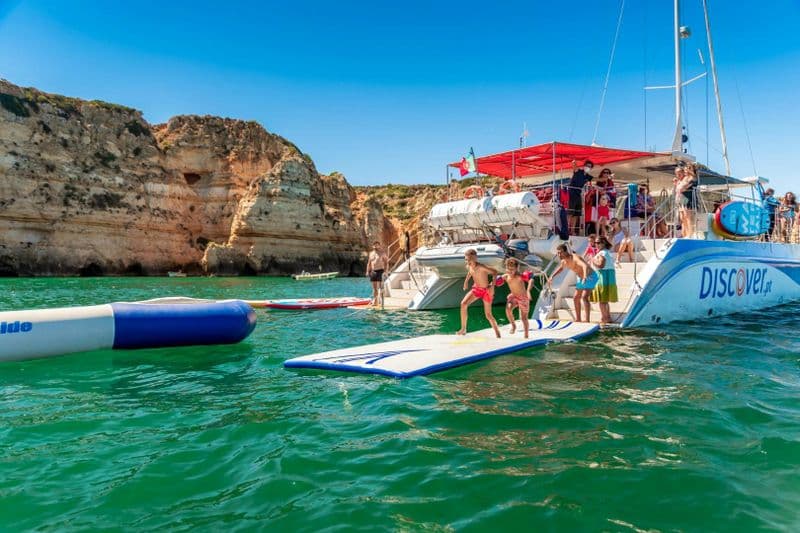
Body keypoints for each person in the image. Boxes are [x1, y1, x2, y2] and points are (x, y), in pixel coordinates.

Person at [457, 249, 501, 337]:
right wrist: (466, 282)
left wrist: (492, 287)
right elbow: (470, 272)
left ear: (475, 258)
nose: (468, 262)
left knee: (488, 315)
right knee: (463, 304)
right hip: (477, 289)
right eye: (466, 259)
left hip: (486, 291)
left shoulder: (481, 267)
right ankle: (463, 329)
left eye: (469, 260)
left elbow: (495, 272)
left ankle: (498, 334)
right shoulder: (468, 266)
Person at [549, 243, 597, 323]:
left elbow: (584, 266)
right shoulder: (564, 261)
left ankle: (587, 320)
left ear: (565, 252)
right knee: (575, 298)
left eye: (560, 253)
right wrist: (552, 276)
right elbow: (561, 269)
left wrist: (585, 277)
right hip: (581, 278)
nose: (559, 255)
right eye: (558, 253)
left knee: (584, 297)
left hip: (590, 276)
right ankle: (578, 319)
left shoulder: (575, 257)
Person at [500, 258, 534, 338]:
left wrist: (528, 291)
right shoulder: (506, 276)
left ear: (516, 268)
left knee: (524, 318)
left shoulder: (519, 276)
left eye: (512, 269)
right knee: (508, 309)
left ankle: (526, 335)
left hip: (523, 298)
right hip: (514, 296)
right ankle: (513, 325)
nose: (510, 271)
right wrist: (490, 285)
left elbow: (531, 280)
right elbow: (496, 281)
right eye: (508, 269)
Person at [590, 236, 618, 325]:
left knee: (602, 301)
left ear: (603, 243)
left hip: (602, 277)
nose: (596, 244)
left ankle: (604, 318)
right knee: (605, 300)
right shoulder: (607, 252)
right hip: (608, 277)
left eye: (598, 243)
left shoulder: (602, 253)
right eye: (595, 243)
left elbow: (601, 265)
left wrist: (592, 260)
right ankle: (608, 317)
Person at [568, 159, 594, 235]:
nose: (588, 167)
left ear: (591, 168)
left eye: (590, 166)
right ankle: (566, 229)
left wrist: (607, 178)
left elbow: (597, 179)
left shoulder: (588, 176)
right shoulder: (578, 171)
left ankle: (572, 231)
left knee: (576, 214)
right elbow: (574, 166)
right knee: (570, 213)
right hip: (571, 193)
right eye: (587, 165)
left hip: (578, 195)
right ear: (584, 166)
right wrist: (574, 161)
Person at [675, 163, 698, 237]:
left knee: (688, 218)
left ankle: (689, 234)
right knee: (683, 218)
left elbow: (682, 188)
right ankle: (684, 234)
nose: (686, 169)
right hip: (682, 199)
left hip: (688, 199)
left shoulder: (693, 178)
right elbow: (679, 188)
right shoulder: (685, 178)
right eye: (686, 168)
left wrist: (681, 187)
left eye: (689, 168)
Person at [366, 241, 388, 307]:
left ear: (379, 246)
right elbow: (369, 263)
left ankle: (381, 301)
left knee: (381, 287)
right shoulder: (371, 254)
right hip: (373, 272)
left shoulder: (382, 253)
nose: (376, 246)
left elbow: (386, 262)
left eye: (377, 245)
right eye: (375, 245)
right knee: (374, 288)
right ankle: (375, 301)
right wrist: (367, 271)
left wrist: (385, 271)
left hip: (380, 271)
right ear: (373, 246)